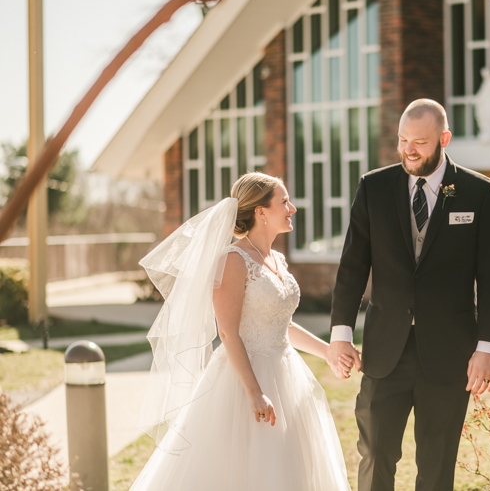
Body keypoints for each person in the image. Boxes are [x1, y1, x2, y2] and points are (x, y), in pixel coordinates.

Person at [327, 99, 490, 491]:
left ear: (444, 139)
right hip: (384, 352)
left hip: (449, 353)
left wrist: (488, 347)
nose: (408, 149)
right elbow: (353, 265)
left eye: (420, 142)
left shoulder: (478, 192)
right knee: (374, 456)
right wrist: (341, 335)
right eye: (403, 140)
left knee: (437, 464)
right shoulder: (373, 187)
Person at [130, 173, 351, 490]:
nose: (293, 208)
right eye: (284, 202)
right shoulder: (233, 260)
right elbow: (229, 332)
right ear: (261, 212)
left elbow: (280, 323)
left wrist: (326, 351)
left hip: (286, 373)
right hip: (244, 380)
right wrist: (254, 392)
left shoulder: (276, 258)